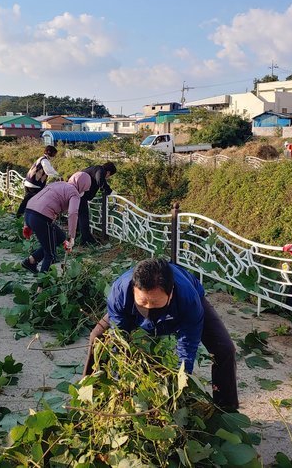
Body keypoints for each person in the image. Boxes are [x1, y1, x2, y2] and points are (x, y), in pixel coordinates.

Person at [83, 258, 239, 412]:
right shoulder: (119, 293)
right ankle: (89, 397)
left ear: (170, 294)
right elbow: (119, 339)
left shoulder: (189, 299)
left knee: (225, 349)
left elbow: (187, 346)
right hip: (130, 312)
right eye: (143, 302)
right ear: (133, 289)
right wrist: (121, 381)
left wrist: (179, 385)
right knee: (97, 337)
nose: (149, 308)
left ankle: (225, 409)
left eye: (155, 303)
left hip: (181, 309)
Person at [22, 172, 92, 273]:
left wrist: (26, 224)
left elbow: (36, 199)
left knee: (59, 237)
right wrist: (72, 237)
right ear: (82, 185)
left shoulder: (58, 184)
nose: (84, 192)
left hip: (29, 213)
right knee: (50, 255)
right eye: (85, 189)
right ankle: (42, 287)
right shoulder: (74, 193)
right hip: (41, 218)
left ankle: (31, 261)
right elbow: (73, 213)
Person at [68, 162, 117, 246]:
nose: (108, 177)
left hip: (75, 192)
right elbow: (100, 181)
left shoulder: (94, 169)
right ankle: (86, 239)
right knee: (84, 216)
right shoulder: (100, 171)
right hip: (79, 194)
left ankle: (77, 236)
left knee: (79, 216)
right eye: (109, 175)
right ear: (108, 172)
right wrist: (110, 192)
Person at [17, 146, 60, 217]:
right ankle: (25, 216)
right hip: (34, 184)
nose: (54, 156)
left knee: (27, 201)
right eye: (54, 154)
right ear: (50, 153)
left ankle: (20, 215)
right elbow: (49, 171)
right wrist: (58, 176)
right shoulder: (44, 161)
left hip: (29, 183)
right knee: (35, 202)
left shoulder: (41, 159)